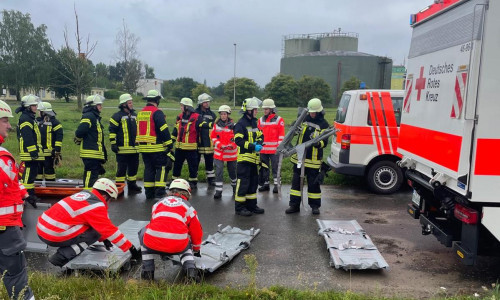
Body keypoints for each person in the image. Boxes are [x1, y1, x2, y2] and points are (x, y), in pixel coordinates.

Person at [36, 178, 141, 267]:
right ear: (105, 196)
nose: (109, 203)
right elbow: (109, 230)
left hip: (41, 228)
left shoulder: (84, 195)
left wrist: (105, 240)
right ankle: (60, 257)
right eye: (110, 200)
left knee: (93, 229)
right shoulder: (96, 206)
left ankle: (64, 251)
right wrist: (130, 248)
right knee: (95, 232)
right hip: (52, 234)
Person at [0, 100, 35, 300]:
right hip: (6, 228)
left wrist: (24, 193)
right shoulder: (3, 158)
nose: (9, 125)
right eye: (4, 120)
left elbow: (11, 182)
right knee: (17, 279)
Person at [139, 178, 202, 282]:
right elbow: (196, 231)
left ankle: (148, 272)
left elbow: (155, 223)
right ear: (186, 193)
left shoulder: (157, 203)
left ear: (170, 191)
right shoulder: (189, 207)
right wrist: (196, 249)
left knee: (143, 233)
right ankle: (191, 271)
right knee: (186, 244)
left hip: (153, 244)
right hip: (177, 246)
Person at [286, 98, 330, 215]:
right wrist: (294, 129)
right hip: (299, 158)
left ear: (319, 111)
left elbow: (324, 143)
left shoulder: (324, 125)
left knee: (313, 184)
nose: (312, 114)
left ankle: (315, 206)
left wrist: (317, 143)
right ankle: (294, 205)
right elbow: (293, 132)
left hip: (313, 160)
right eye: (310, 111)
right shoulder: (303, 119)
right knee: (296, 183)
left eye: (314, 112)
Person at [136, 90, 173, 200]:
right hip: (156, 147)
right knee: (161, 168)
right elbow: (163, 129)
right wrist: (169, 145)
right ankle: (160, 193)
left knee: (149, 169)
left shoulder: (141, 112)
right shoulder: (157, 112)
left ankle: (149, 193)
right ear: (157, 100)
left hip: (143, 148)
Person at [233, 98, 265, 216]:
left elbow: (261, 135)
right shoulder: (241, 124)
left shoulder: (254, 123)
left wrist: (260, 142)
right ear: (248, 110)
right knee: (243, 184)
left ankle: (251, 206)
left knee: (253, 183)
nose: (257, 111)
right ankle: (239, 208)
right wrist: (252, 146)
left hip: (254, 159)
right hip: (244, 160)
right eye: (255, 109)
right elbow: (238, 141)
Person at [109, 93, 141, 194]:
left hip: (135, 149)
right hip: (122, 149)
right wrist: (113, 144)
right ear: (123, 104)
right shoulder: (116, 116)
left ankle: (132, 185)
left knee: (133, 168)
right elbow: (112, 131)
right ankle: (119, 188)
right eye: (129, 103)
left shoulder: (136, 116)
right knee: (121, 170)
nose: (132, 104)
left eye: (131, 102)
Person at [74, 95, 107, 190]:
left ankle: (91, 193)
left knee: (93, 176)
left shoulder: (94, 117)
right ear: (93, 106)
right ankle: (88, 194)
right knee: (90, 175)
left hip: (94, 153)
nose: (101, 107)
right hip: (90, 153)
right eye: (99, 105)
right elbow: (80, 131)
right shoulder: (89, 116)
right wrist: (78, 139)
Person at [16, 94, 44, 206]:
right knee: (28, 174)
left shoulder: (29, 117)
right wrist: (33, 151)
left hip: (32, 152)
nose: (36, 107)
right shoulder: (25, 118)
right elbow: (27, 136)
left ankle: (31, 195)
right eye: (33, 105)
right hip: (28, 153)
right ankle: (26, 195)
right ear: (28, 107)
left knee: (32, 174)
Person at [171, 98, 201, 189]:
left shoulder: (197, 117)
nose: (181, 107)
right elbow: (175, 131)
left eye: (182, 106)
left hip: (191, 148)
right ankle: (174, 182)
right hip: (179, 147)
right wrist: (170, 143)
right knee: (177, 165)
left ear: (187, 107)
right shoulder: (179, 117)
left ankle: (193, 182)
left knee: (192, 166)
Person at [257, 98, 285, 194]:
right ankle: (266, 184)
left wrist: (279, 147)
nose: (264, 110)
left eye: (266, 109)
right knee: (264, 167)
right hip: (263, 150)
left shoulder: (279, 120)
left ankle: (277, 185)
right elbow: (258, 134)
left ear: (271, 109)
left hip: (274, 150)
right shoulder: (260, 120)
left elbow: (281, 135)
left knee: (275, 167)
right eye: (264, 109)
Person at [210, 105, 237, 199]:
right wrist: (219, 144)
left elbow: (236, 138)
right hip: (219, 153)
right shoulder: (216, 125)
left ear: (228, 114)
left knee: (232, 172)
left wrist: (232, 145)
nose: (223, 116)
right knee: (219, 172)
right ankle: (218, 191)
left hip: (231, 153)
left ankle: (235, 188)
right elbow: (213, 137)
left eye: (225, 114)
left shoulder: (234, 126)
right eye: (221, 114)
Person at [36, 102, 63, 182]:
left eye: (39, 111)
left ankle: (50, 189)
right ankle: (39, 189)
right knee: (38, 173)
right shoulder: (37, 122)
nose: (38, 112)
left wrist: (57, 150)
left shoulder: (55, 123)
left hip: (48, 153)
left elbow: (59, 137)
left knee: (49, 173)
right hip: (39, 153)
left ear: (43, 112)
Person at [195, 93, 216, 186]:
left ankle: (211, 179)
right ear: (200, 103)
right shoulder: (195, 113)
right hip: (198, 141)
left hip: (208, 142)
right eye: (205, 102)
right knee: (195, 161)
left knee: (209, 161)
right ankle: (193, 179)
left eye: (208, 102)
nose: (207, 103)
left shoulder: (212, 114)